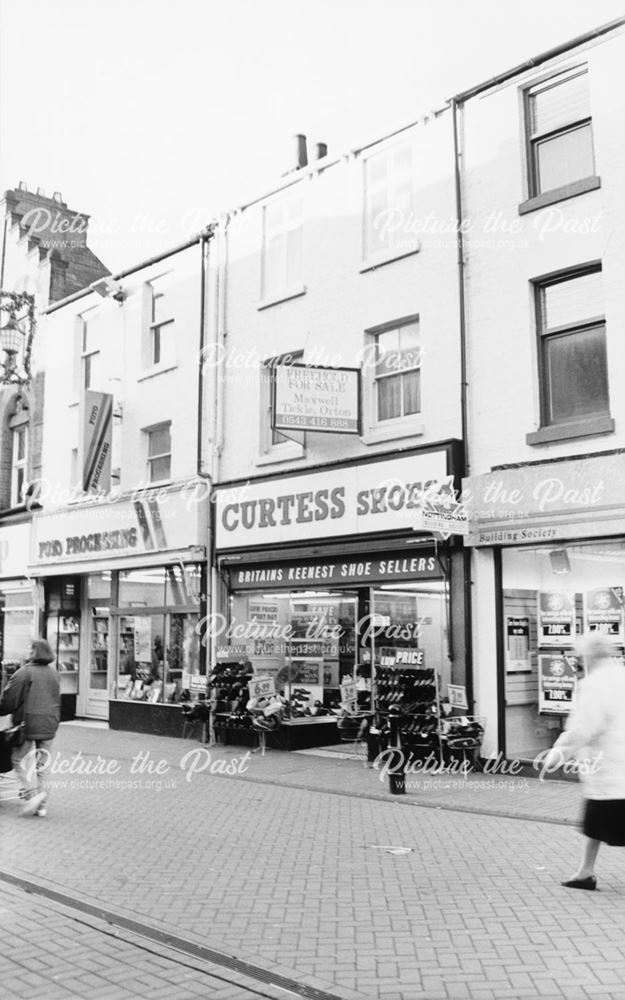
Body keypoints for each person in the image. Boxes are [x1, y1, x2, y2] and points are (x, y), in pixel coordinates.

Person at [543, 634, 625, 891]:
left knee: (603, 825)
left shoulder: (595, 685)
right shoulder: (621, 675)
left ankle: (585, 873)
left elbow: (584, 728)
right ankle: (584, 872)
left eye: (580, 656)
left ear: (589, 655)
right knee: (594, 826)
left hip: (609, 773)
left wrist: (558, 753)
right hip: (613, 773)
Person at [0, 638, 60, 817]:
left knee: (17, 760)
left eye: (29, 649)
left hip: (27, 725)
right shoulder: (54, 673)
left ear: (35, 652)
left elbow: (9, 700)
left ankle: (30, 795)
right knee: (43, 766)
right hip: (50, 723)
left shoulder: (24, 673)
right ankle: (42, 806)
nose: (26, 651)